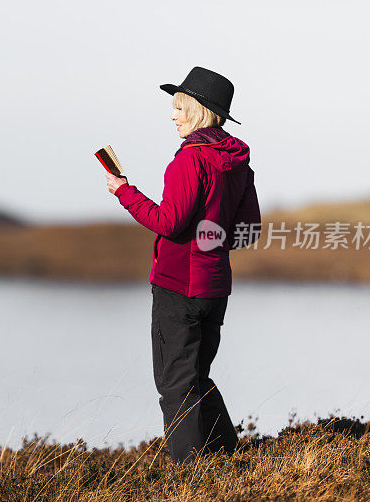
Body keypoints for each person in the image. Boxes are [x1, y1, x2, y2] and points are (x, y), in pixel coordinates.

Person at [104, 66, 261, 464]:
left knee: (176, 385)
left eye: (179, 107)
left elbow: (168, 222)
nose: (172, 115)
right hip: (214, 288)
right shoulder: (238, 162)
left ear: (198, 110)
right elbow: (247, 232)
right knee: (196, 379)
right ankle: (227, 461)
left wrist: (125, 192)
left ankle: (190, 477)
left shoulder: (189, 161)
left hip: (178, 288)